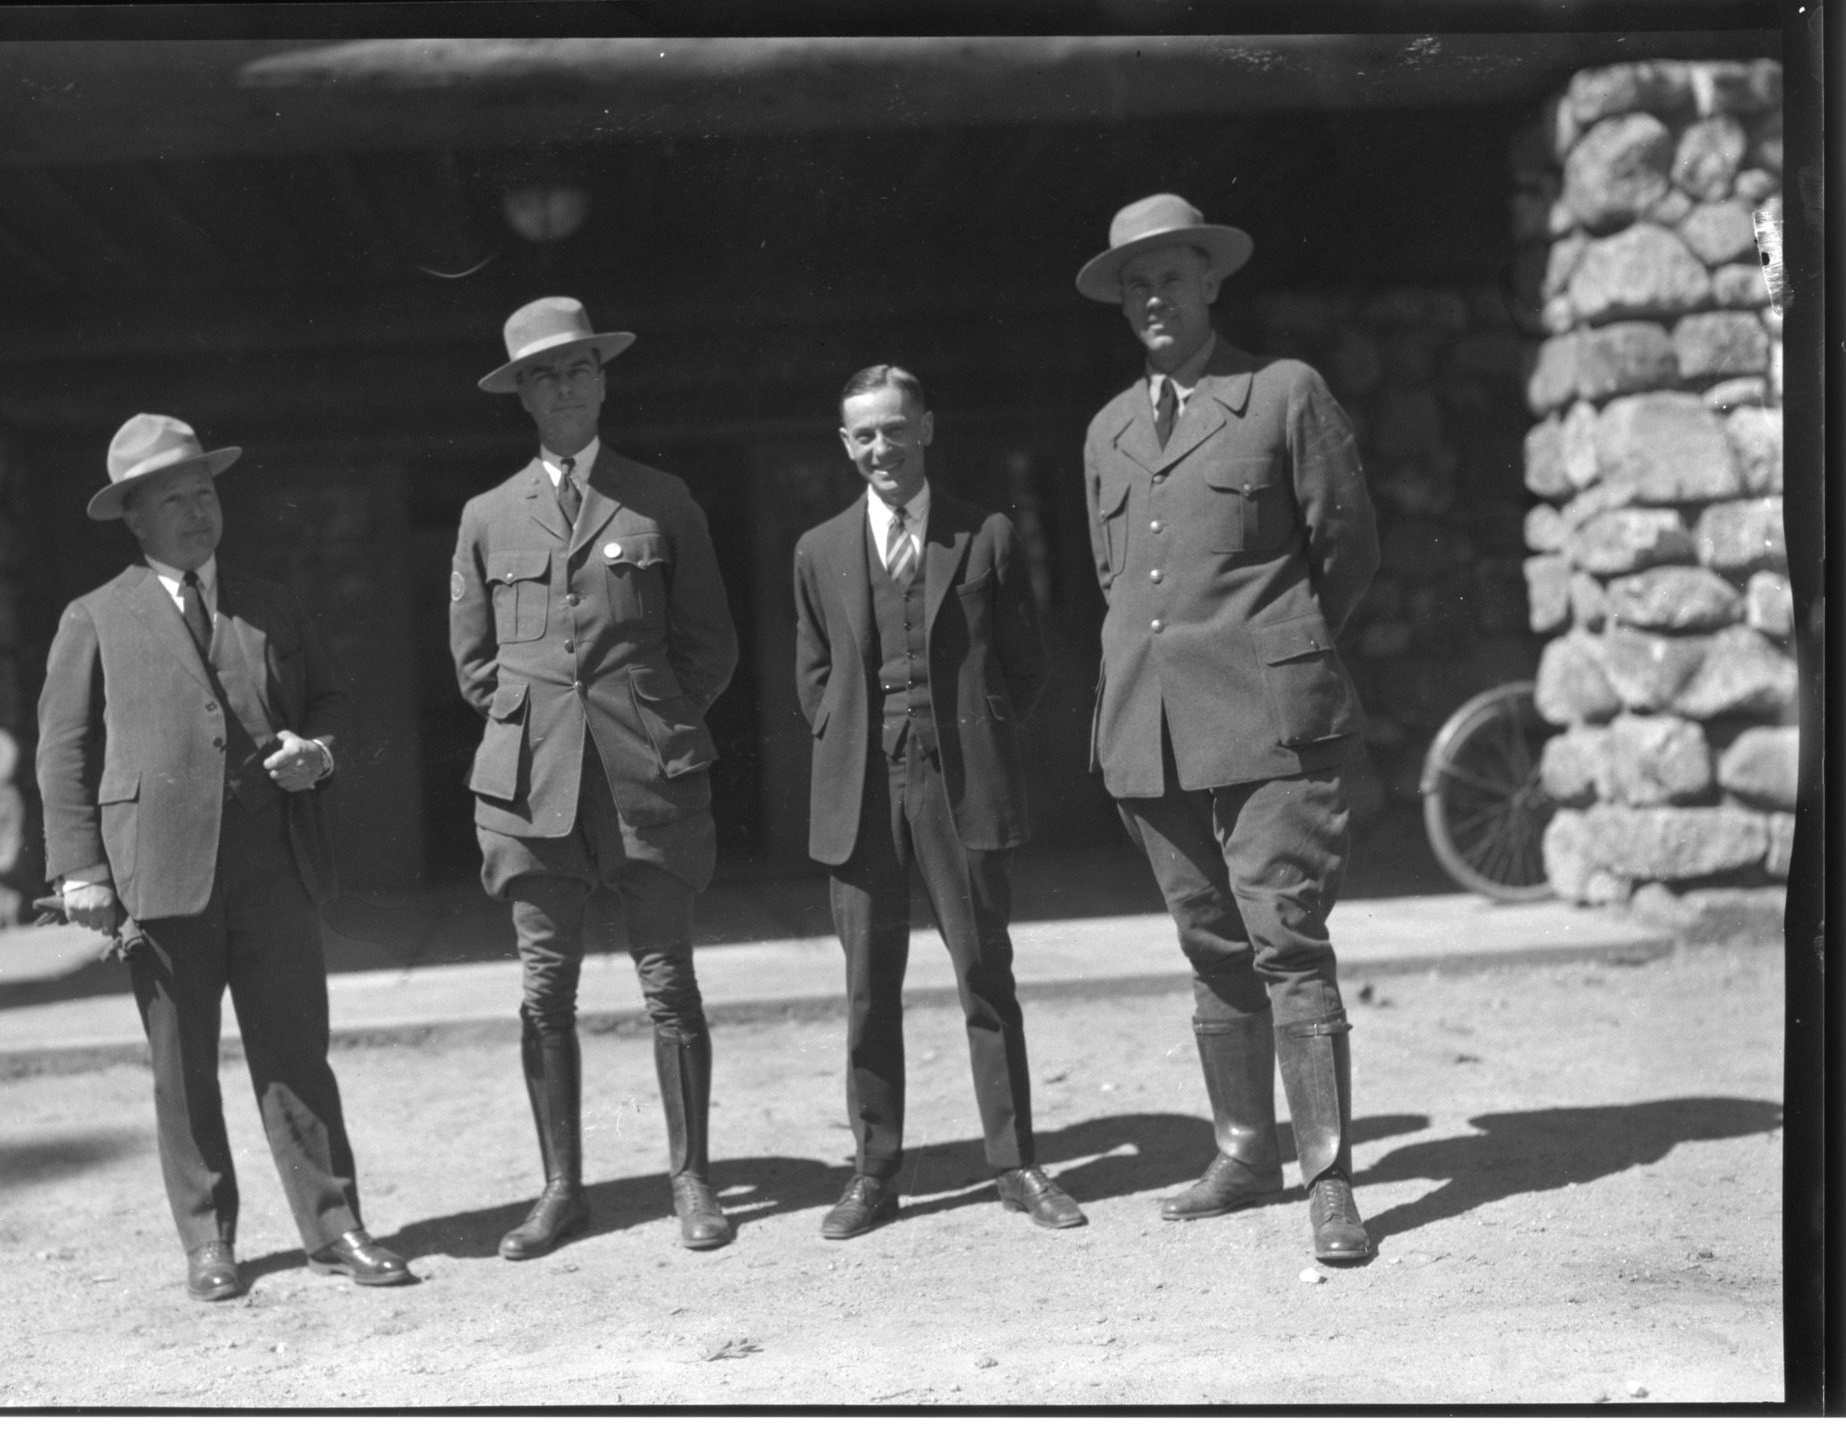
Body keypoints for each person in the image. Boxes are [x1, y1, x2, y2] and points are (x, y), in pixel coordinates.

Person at [36, 413, 412, 1302]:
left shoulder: (270, 601)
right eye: (172, 499)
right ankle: (210, 1242)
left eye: (205, 492)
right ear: (133, 516)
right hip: (157, 874)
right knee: (183, 1065)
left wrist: (316, 753)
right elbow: (64, 750)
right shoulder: (94, 615)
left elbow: (331, 702)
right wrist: (80, 869)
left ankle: (335, 1226)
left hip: (272, 861)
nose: (197, 512)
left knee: (296, 1052)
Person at [1074, 194, 1382, 1262]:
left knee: (1284, 937)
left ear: (1211, 282)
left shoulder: (1281, 393)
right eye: (1134, 283)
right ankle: (1244, 1151)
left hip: (1269, 718)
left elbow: (1344, 548)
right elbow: (1120, 581)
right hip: (1149, 725)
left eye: (1171, 275)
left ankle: (1329, 1180)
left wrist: (1278, 649)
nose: (1152, 296)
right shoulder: (1107, 429)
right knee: (1209, 946)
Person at [451, 296, 741, 1258]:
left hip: (645, 774)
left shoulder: (661, 497)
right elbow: (475, 664)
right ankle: (560, 1189)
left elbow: (709, 644)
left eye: (578, 368)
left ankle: (692, 1179)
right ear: (522, 397)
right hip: (533, 787)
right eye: (544, 375)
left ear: (603, 379)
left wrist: (649, 715)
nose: (564, 387)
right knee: (544, 989)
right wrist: (544, 722)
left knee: (668, 982)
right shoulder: (487, 516)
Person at [791, 364, 1085, 1240]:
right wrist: (860, 738)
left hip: (960, 785)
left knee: (985, 977)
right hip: (860, 788)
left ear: (926, 426)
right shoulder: (818, 549)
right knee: (867, 989)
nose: (881, 447)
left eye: (894, 427)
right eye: (863, 435)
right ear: (846, 446)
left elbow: (1024, 662)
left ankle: (1014, 1163)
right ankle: (875, 1172)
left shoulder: (984, 534)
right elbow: (813, 677)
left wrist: (974, 734)